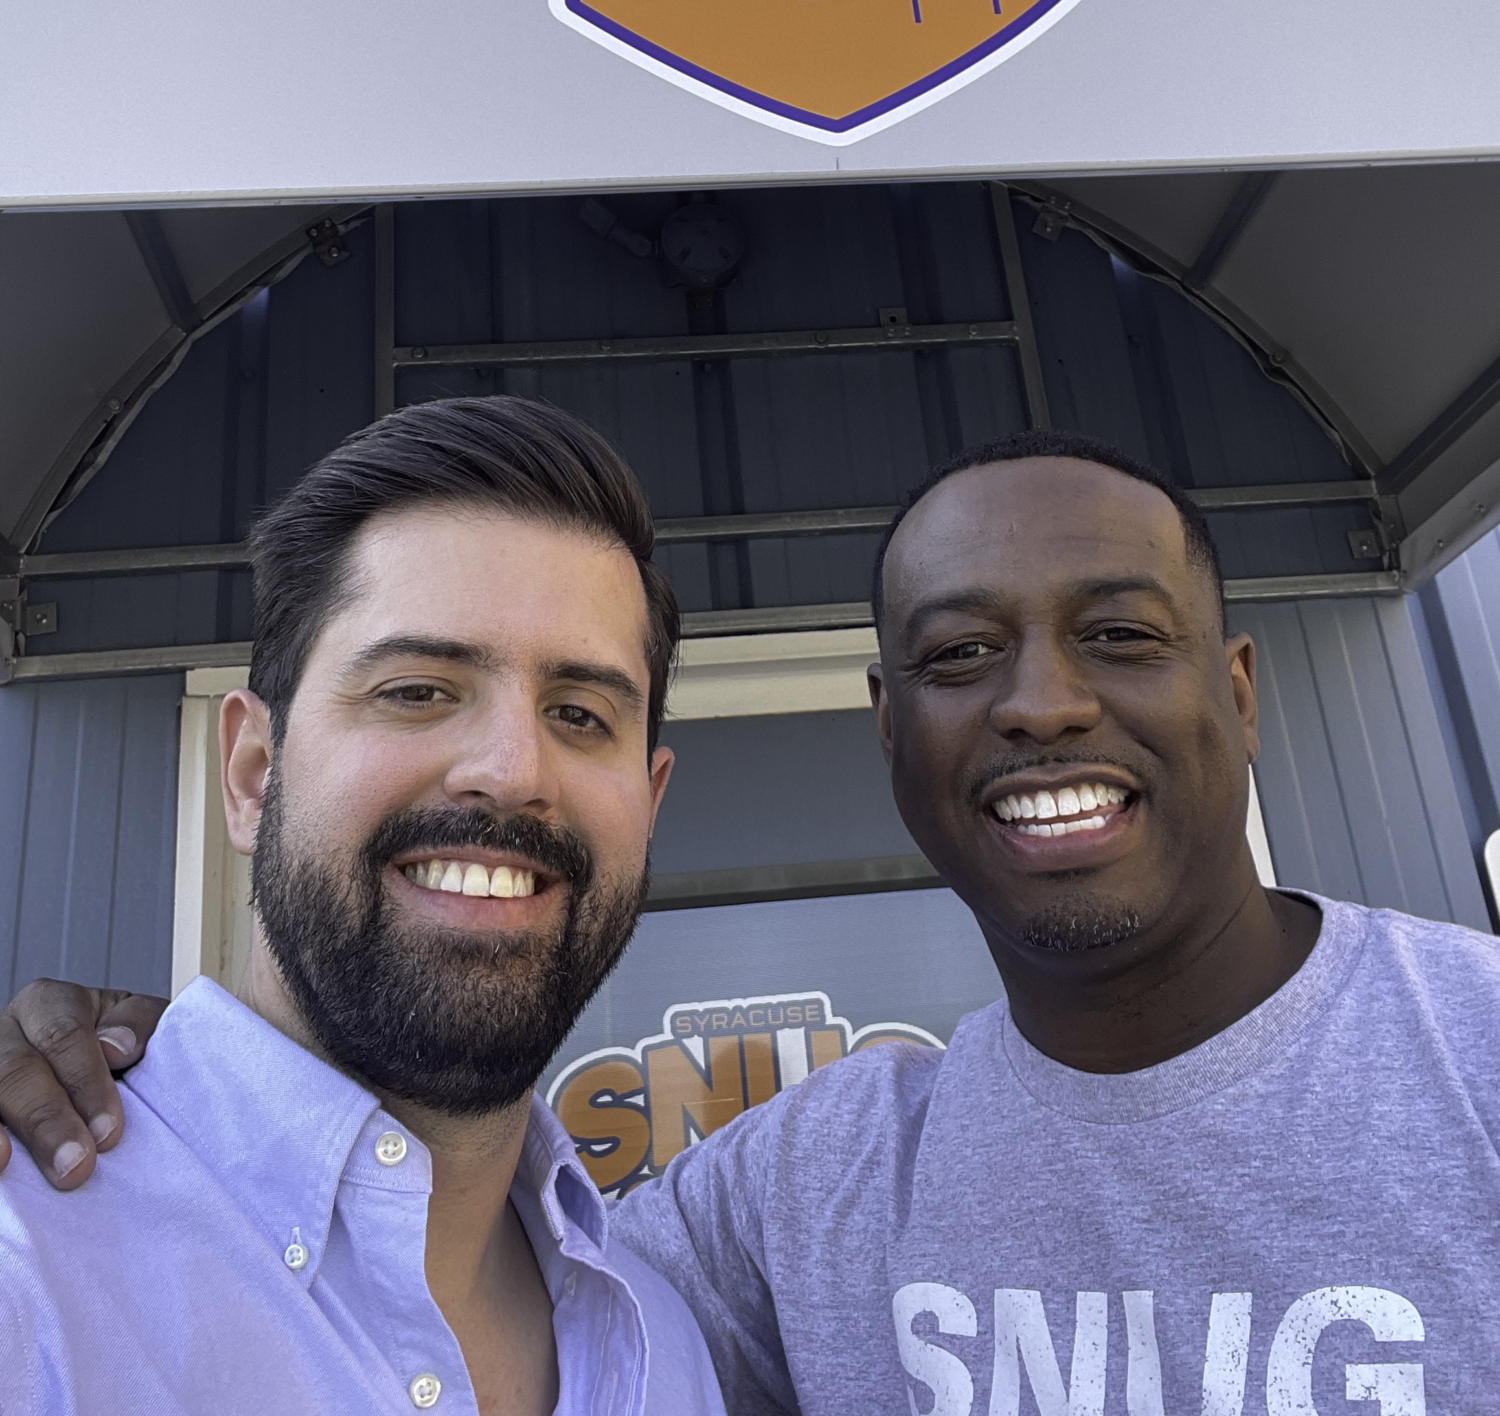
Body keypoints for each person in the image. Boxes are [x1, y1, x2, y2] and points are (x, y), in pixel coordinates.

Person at [7, 428, 1500, 1414]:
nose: (1043, 701)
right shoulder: (796, 1195)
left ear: (1238, 690)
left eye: (1119, 635)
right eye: (418, 689)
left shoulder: (633, 1317)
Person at [0, 397, 726, 1414]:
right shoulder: (27, 1272)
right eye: (417, 690)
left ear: (647, 807)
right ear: (253, 773)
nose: (514, 770)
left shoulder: (665, 1348)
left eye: (579, 714)